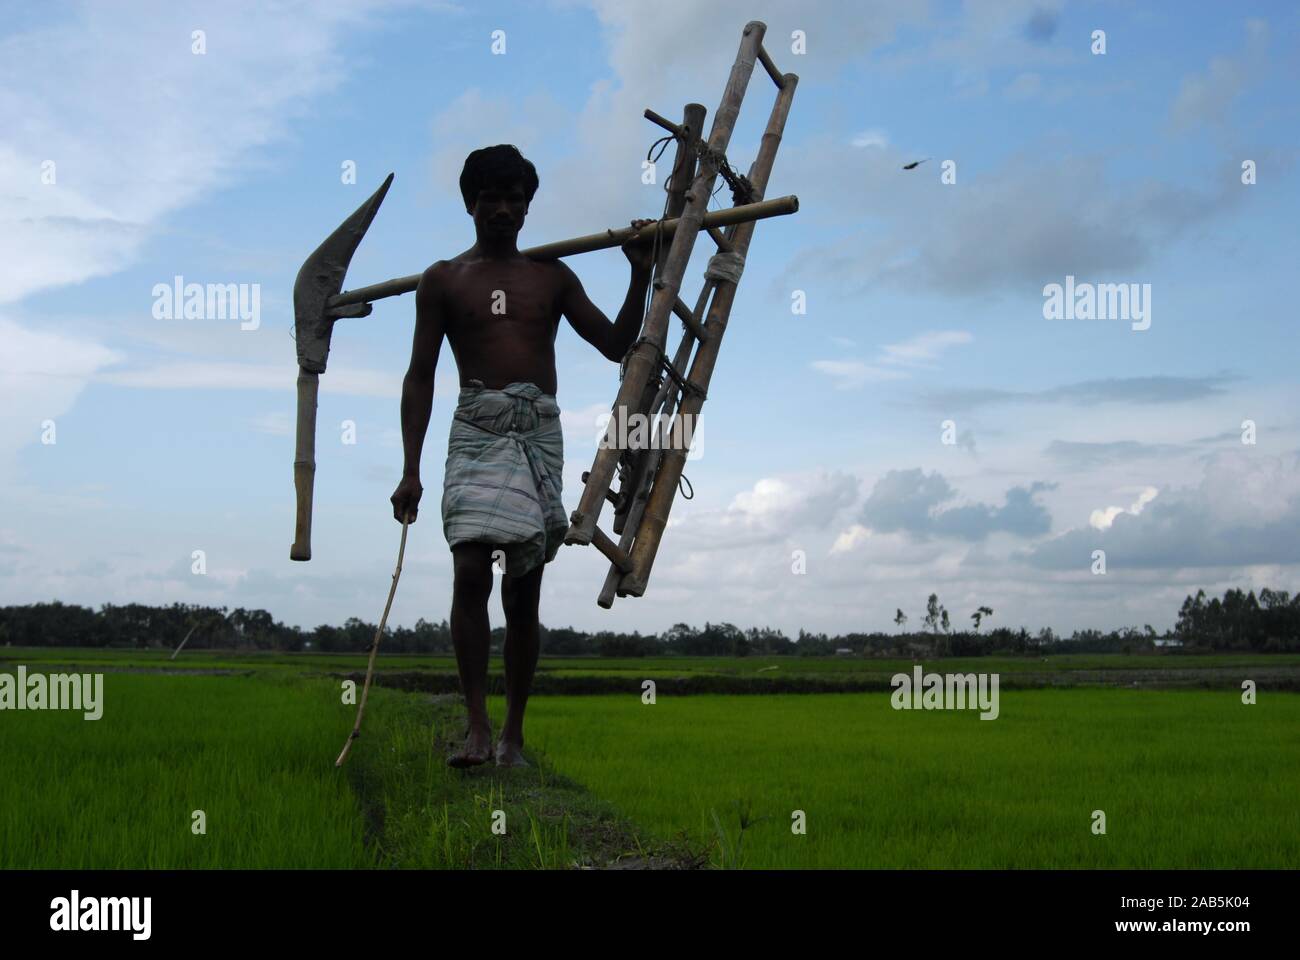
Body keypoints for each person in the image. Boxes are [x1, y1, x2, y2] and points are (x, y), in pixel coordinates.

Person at [389, 144, 655, 767]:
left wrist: (639, 271)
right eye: (492, 198)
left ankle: (513, 734)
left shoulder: (551, 276)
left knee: (524, 588)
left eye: (516, 199)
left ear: (529, 206)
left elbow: (617, 345)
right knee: (471, 571)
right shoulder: (443, 280)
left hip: (536, 433)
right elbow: (419, 377)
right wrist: (410, 469)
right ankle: (476, 728)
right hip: (476, 429)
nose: (505, 209)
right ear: (470, 203)